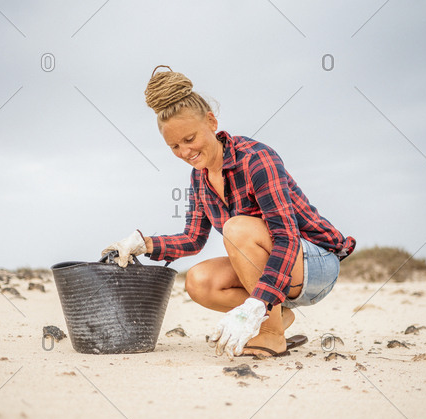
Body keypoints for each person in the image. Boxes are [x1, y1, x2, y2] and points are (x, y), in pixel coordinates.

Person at [102, 65, 355, 360]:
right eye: (174, 146)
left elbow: (285, 238)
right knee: (198, 282)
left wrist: (256, 303)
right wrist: (143, 244)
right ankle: (278, 318)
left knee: (237, 228)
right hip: (278, 270)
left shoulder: (257, 159)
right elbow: (193, 239)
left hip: (315, 263)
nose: (185, 152)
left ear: (211, 122)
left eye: (189, 139)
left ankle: (271, 335)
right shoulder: (199, 178)